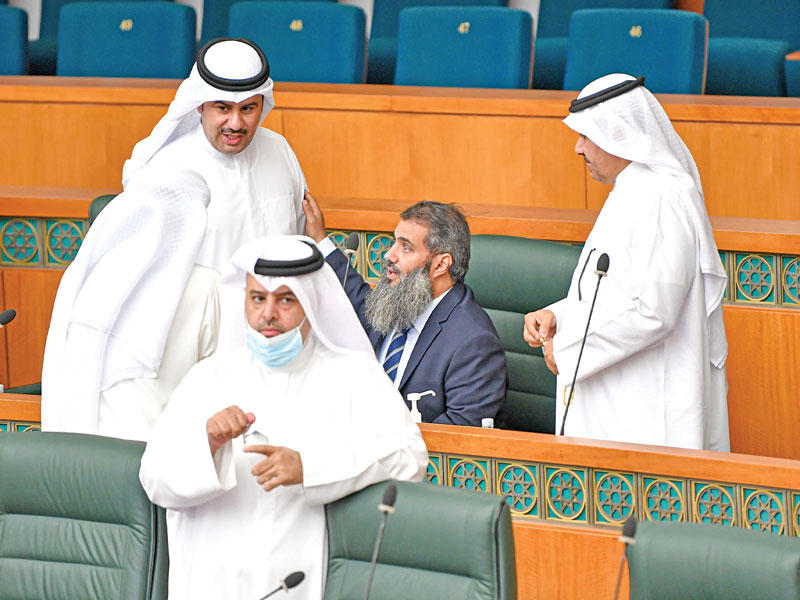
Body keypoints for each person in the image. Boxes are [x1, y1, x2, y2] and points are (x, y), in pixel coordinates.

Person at [139, 235, 427, 600]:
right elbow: (154, 479)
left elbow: (409, 459)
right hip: (211, 584)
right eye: (257, 298)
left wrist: (311, 469)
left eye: (286, 299)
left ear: (311, 302)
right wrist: (206, 442)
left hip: (297, 584)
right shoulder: (209, 377)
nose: (268, 314)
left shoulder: (355, 376)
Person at [523, 74, 729, 451]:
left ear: (617, 133)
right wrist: (559, 316)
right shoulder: (632, 190)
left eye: (585, 136)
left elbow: (653, 310)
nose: (577, 148)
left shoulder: (662, 198)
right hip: (619, 406)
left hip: (647, 415)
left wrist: (569, 348)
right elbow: (616, 288)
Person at [41, 168, 220, 440]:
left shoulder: (84, 276)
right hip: (163, 456)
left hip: (74, 450)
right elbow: (222, 384)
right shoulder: (208, 285)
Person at [303, 194, 507, 427]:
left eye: (406, 247)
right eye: (394, 242)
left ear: (440, 264)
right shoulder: (397, 301)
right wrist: (319, 240)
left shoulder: (474, 342)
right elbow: (354, 295)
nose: (389, 255)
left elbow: (462, 433)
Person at [122, 37, 306, 273]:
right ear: (200, 105)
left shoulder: (278, 149)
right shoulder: (167, 169)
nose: (236, 123)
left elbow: (303, 239)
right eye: (223, 108)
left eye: (247, 108)